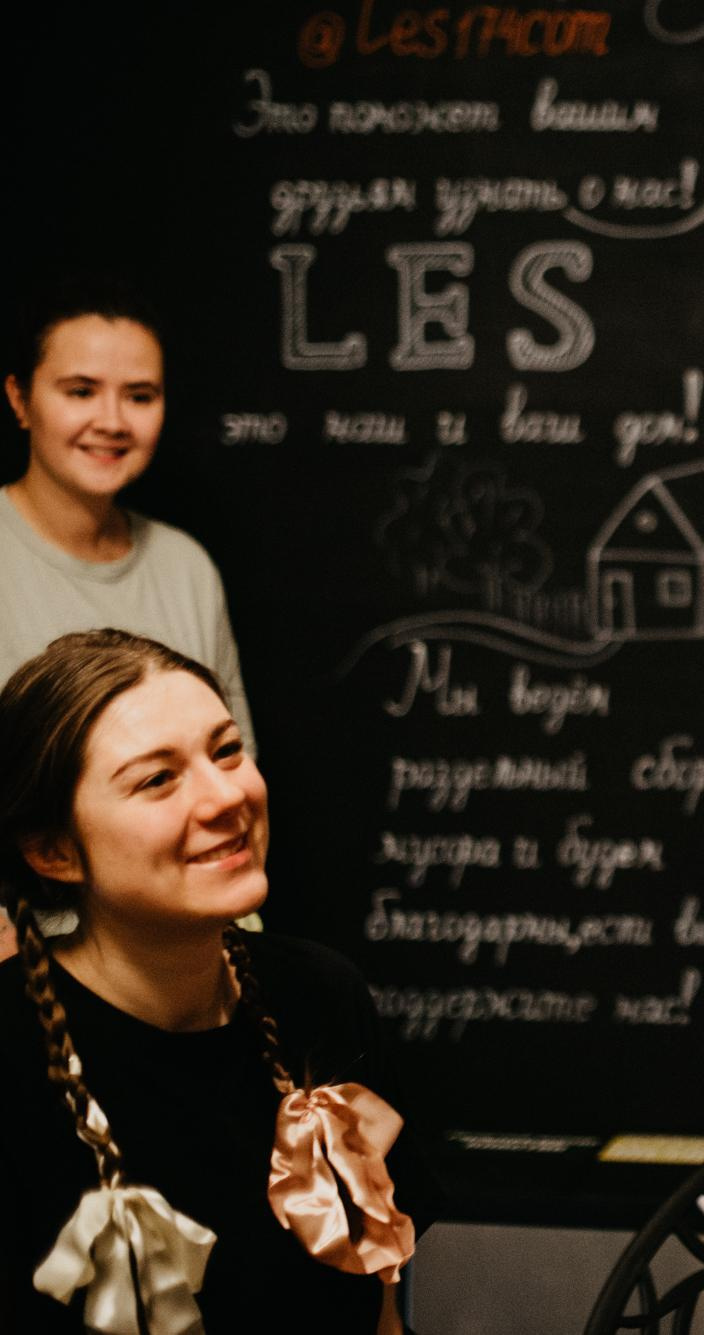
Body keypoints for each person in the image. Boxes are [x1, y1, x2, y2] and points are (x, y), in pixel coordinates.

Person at [0, 630, 431, 1334]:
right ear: (53, 850)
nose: (225, 794)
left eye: (227, 749)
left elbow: (382, 1307)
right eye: (157, 778)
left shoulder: (321, 996)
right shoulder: (12, 1059)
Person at [1, 277, 255, 961]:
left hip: (186, 960)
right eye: (80, 391)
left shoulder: (184, 566)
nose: (112, 419)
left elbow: (235, 772)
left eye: (140, 396)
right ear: (20, 399)